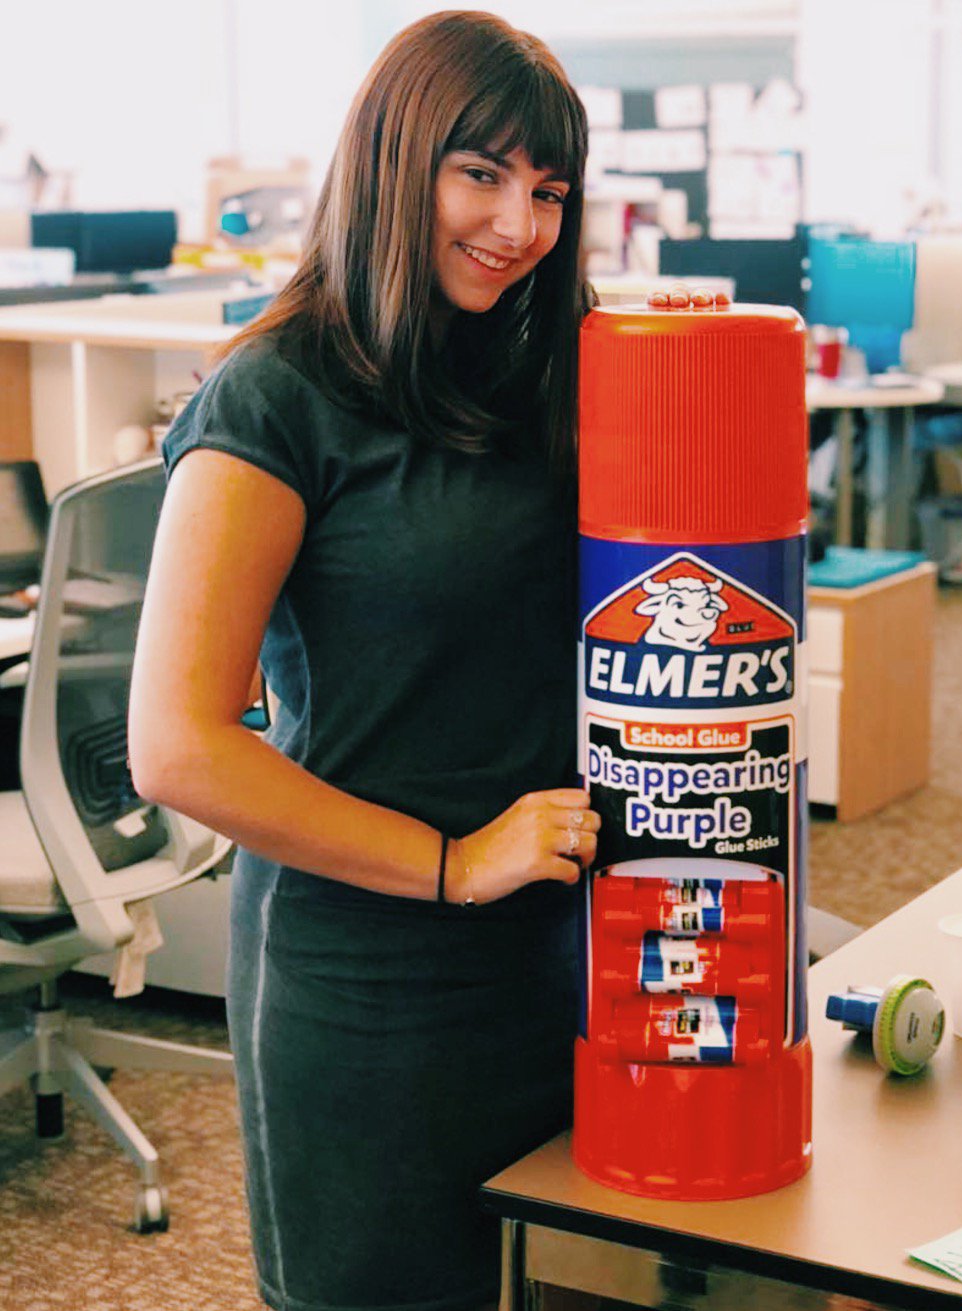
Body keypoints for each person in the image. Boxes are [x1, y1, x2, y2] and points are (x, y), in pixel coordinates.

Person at [127, 12, 598, 1311]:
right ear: (397, 162)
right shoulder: (277, 397)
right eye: (482, 173)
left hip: (560, 952)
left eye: (550, 189)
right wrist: (454, 866)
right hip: (375, 982)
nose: (520, 224)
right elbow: (177, 744)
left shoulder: (535, 375)